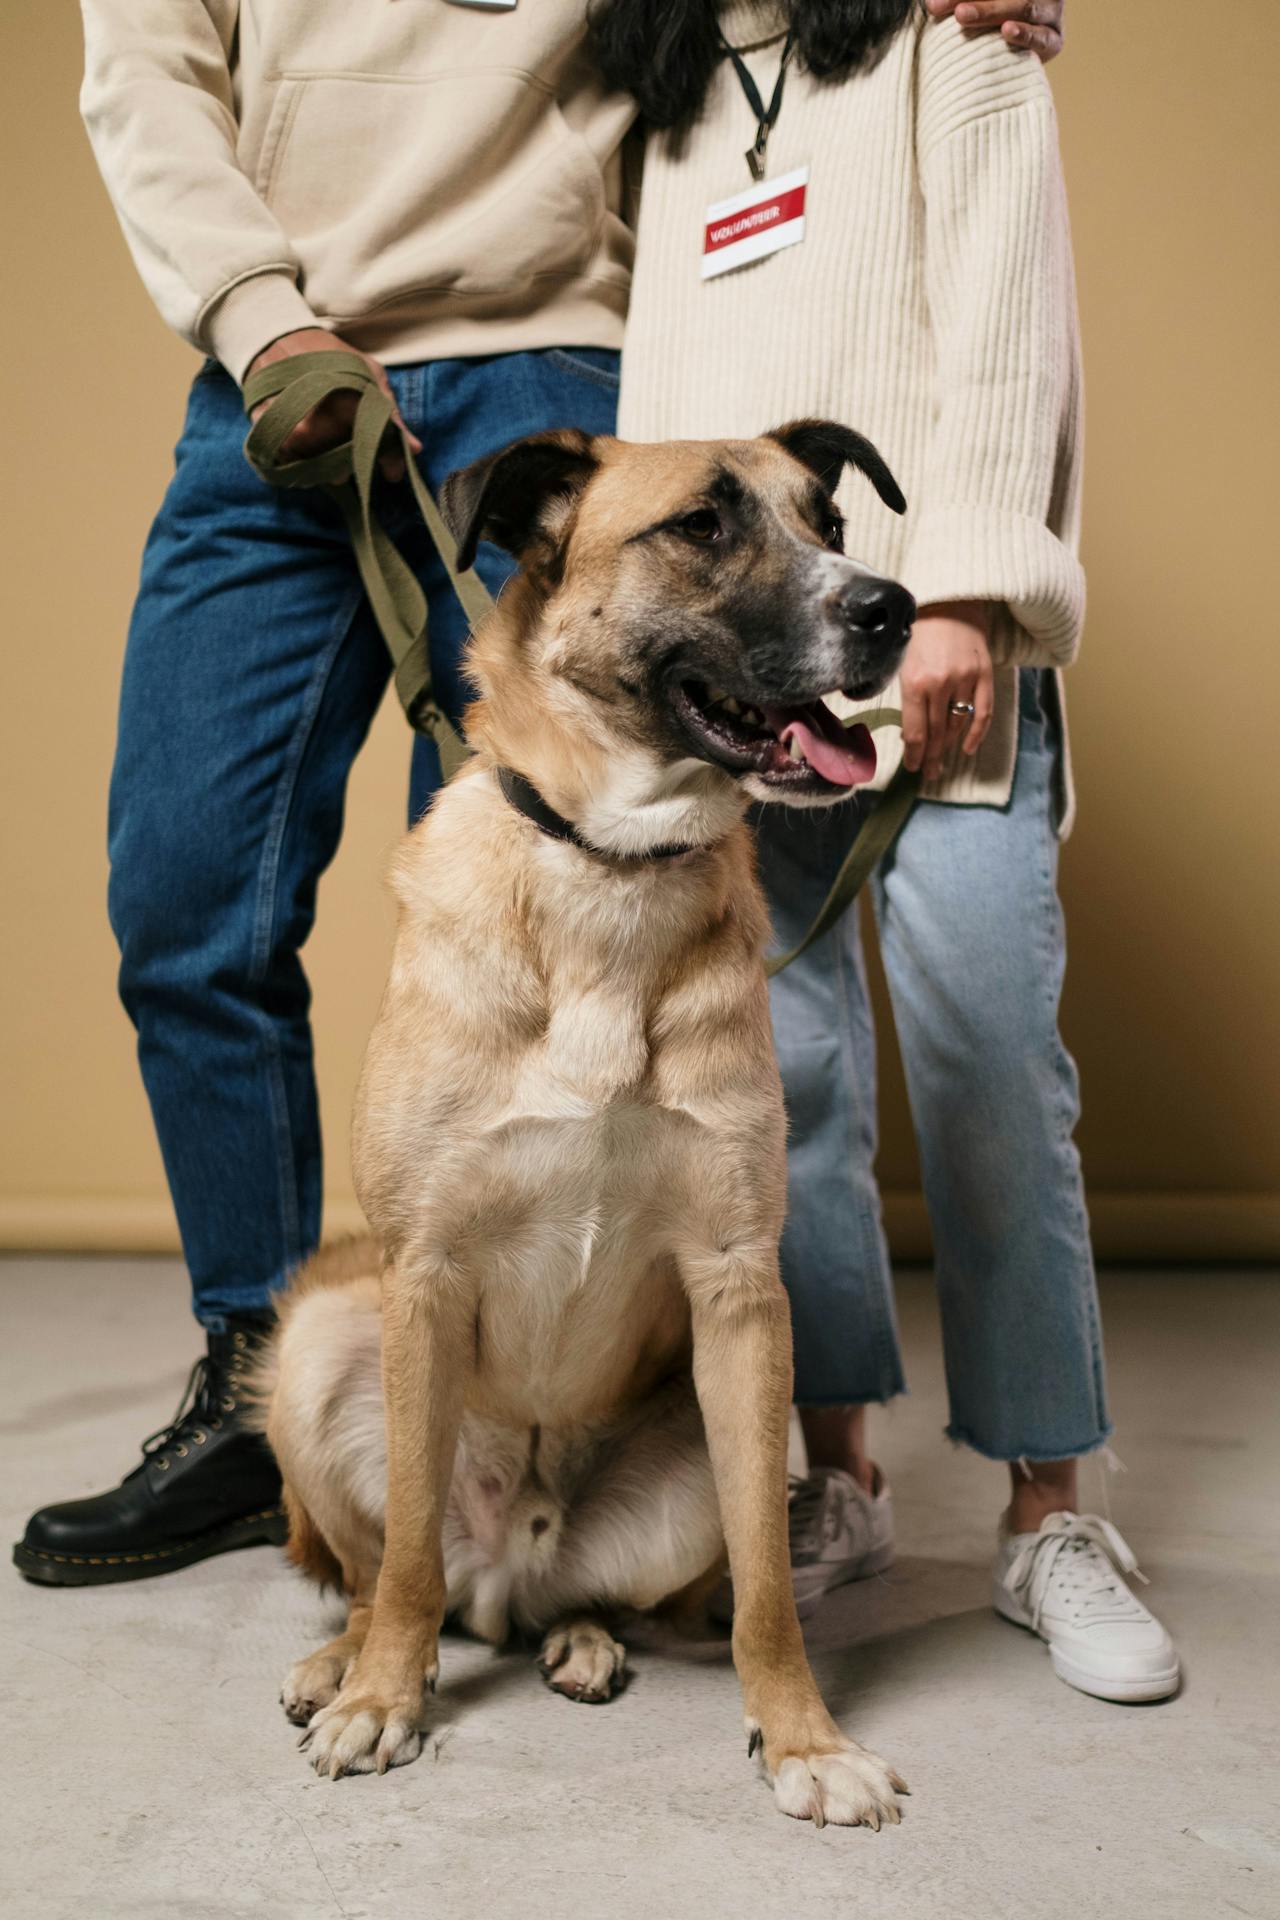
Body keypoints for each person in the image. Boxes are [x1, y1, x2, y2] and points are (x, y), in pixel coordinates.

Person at [15, 0, 1062, 1588]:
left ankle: (600, 1430)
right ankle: (258, 1397)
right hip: (278, 373)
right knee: (183, 893)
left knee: (614, 882)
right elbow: (147, 68)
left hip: (555, 372)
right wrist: (258, 313)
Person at [601, 0, 1181, 1702]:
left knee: (991, 1050)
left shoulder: (955, 29)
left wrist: (968, 594)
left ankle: (1049, 1511)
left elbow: (1011, 317)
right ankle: (839, 1478)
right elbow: (653, 399)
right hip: (750, 677)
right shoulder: (670, 83)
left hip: (925, 632)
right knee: (793, 1083)